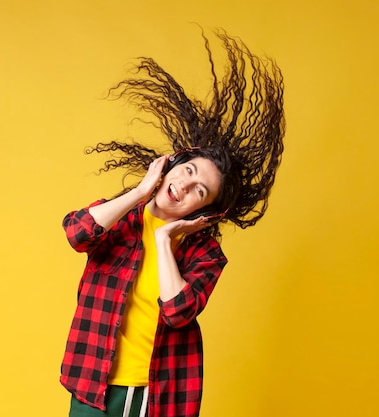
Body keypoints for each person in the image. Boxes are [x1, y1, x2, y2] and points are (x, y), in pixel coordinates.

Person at [59, 29, 285, 417]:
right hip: (92, 380)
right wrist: (141, 191)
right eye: (189, 171)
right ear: (172, 164)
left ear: (207, 211)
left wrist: (165, 240)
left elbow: (179, 311)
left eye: (200, 190)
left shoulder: (206, 254)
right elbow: (77, 232)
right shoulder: (123, 218)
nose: (185, 185)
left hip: (156, 392)